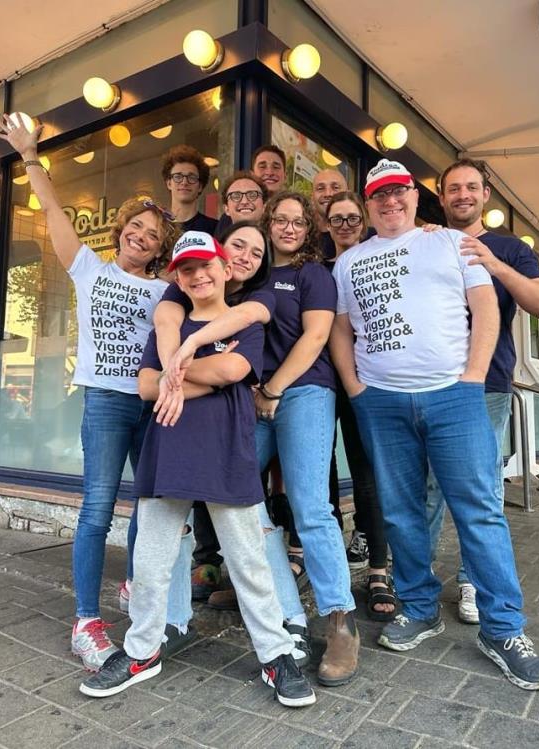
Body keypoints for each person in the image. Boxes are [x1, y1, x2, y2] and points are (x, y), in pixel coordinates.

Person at [330, 157, 539, 691]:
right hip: (382, 402)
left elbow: (487, 309)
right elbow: (341, 330)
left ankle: (503, 628)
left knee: (478, 510)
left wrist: (473, 377)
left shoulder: (452, 243)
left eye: (398, 192)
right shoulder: (349, 262)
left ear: (413, 196)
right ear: (368, 204)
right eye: (379, 196)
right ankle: (419, 606)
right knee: (404, 511)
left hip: (453, 397)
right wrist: (357, 390)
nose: (390, 202)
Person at [79, 232, 315, 707]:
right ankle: (142, 650)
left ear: (226, 269)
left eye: (206, 264)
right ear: (178, 278)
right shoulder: (168, 326)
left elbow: (235, 371)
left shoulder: (246, 323)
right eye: (187, 269)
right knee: (150, 561)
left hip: (227, 453)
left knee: (248, 561)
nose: (198, 274)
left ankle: (274, 654)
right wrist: (174, 380)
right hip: (166, 454)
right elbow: (146, 385)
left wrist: (175, 380)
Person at [0, 114, 178, 671]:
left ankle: (134, 585)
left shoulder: (166, 289)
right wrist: (29, 155)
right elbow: (51, 211)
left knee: (150, 504)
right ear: (122, 228)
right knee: (98, 509)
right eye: (136, 228)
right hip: (104, 401)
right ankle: (85, 619)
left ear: (158, 249)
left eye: (152, 237)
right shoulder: (88, 270)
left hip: (151, 404)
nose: (140, 238)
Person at [152, 222, 312, 662]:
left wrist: (186, 360)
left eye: (256, 253)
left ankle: (288, 619)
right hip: (178, 423)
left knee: (251, 515)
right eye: (238, 245)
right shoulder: (184, 289)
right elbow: (166, 323)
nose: (246, 256)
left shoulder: (256, 300)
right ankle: (171, 619)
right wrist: (174, 369)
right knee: (170, 517)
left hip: (243, 418)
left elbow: (232, 369)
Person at [426, 158, 539, 624]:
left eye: (471, 187)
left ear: (485, 196)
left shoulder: (510, 248)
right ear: (442, 197)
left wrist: (495, 264)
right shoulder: (428, 242)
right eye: (453, 188)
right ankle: (417, 582)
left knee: (477, 488)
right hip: (428, 384)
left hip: (486, 385)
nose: (462, 194)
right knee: (429, 488)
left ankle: (471, 581)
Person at [255, 190, 360, 687]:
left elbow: (316, 336)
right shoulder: (251, 273)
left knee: (311, 507)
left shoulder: (314, 275)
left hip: (303, 393)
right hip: (252, 399)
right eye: (281, 219)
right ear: (268, 222)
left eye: (299, 221)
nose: (289, 228)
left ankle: (341, 618)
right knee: (236, 498)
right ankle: (286, 607)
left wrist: (274, 388)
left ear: (309, 227)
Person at [325, 191, 395, 620]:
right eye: (337, 219)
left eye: (352, 218)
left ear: (363, 221)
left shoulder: (375, 258)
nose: (346, 225)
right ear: (327, 224)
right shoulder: (318, 266)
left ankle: (378, 569)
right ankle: (327, 559)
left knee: (368, 476)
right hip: (320, 380)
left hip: (363, 382)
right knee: (321, 474)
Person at [162, 145, 217, 234]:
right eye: (178, 177)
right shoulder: (158, 227)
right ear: (169, 183)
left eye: (192, 177)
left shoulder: (215, 229)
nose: (184, 182)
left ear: (200, 186)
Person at [213, 171, 268, 250]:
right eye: (236, 196)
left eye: (252, 195)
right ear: (226, 209)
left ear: (264, 207)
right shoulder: (214, 253)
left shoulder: (276, 249)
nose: (244, 201)